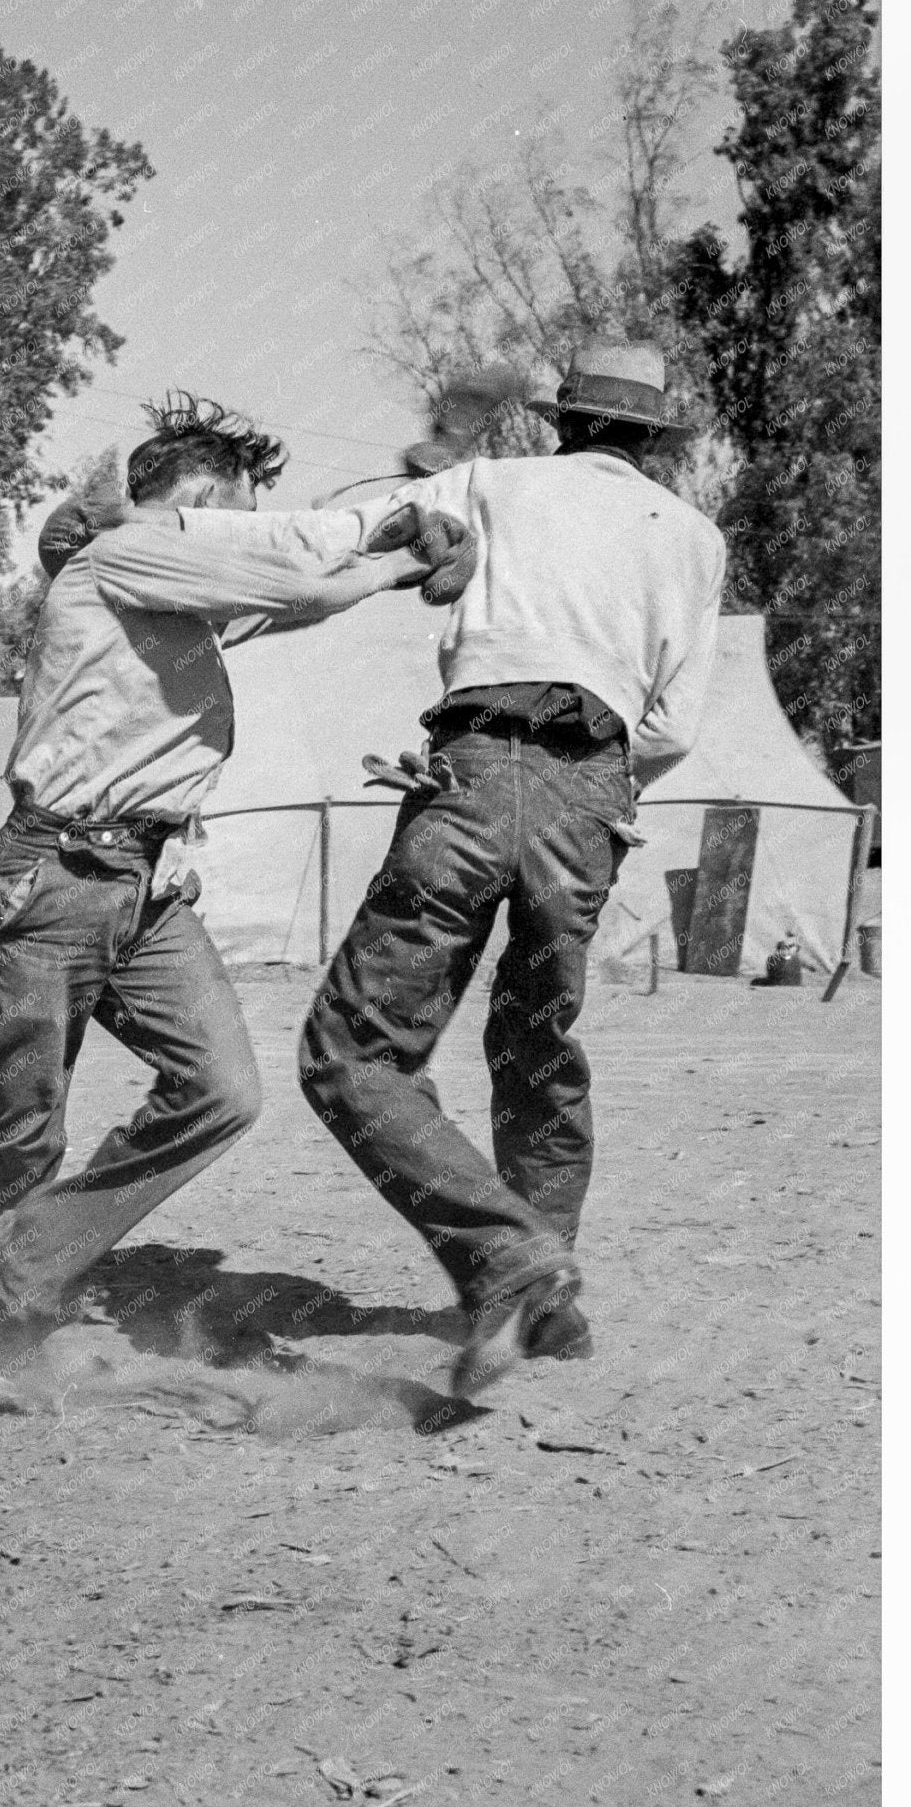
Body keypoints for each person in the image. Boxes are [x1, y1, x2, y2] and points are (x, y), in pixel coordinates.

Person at [0, 394, 473, 1321]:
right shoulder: (123, 552)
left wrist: (392, 527)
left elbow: (288, 607)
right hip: (52, 876)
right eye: (231, 513)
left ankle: (22, 1268)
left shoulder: (179, 595)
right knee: (22, 1130)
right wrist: (397, 557)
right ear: (187, 499)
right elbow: (300, 586)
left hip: (143, 888)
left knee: (221, 1092)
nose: (246, 534)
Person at [295, 342, 727, 1396]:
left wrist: (426, 457)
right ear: (649, 442)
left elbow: (336, 533)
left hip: (475, 762)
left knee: (352, 1050)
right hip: (594, 788)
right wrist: (589, 787)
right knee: (536, 1040)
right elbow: (671, 721)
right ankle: (547, 1298)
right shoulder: (690, 535)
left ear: (562, 422)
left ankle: (508, 1257)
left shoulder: (488, 483)